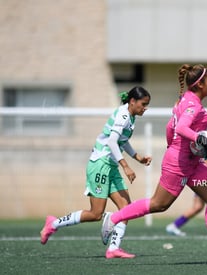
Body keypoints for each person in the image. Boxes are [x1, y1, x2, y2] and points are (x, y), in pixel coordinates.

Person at [101, 64, 207, 261]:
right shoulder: (192, 105)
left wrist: (180, 148)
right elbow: (182, 128)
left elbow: (171, 127)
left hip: (192, 163)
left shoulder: (184, 101)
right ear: (200, 84)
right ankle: (114, 218)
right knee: (159, 204)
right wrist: (198, 140)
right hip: (179, 163)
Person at [40, 86, 152, 259]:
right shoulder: (123, 116)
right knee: (95, 214)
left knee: (126, 209)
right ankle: (52, 224)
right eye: (143, 104)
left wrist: (138, 158)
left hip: (111, 165)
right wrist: (126, 166)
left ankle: (113, 249)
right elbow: (112, 142)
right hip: (100, 163)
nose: (145, 108)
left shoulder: (130, 116)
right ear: (132, 101)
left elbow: (122, 141)